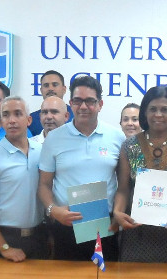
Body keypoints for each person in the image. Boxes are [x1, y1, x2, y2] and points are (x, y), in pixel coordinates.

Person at [38, 75, 125, 261]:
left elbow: (124, 186)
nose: (83, 106)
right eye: (77, 101)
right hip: (66, 225)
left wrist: (118, 213)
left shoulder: (116, 137)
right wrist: (53, 210)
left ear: (100, 104)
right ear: (70, 103)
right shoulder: (53, 139)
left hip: (106, 226)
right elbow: (44, 185)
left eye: (90, 101)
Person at [112, 86, 167, 262]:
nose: (158, 114)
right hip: (137, 231)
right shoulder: (129, 146)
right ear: (144, 112)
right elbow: (123, 189)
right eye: (153, 109)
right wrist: (117, 212)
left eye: (164, 109)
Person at [0, 96, 46, 262]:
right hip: (6, 237)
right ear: (1, 121)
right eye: (6, 115)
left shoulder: (41, 151)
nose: (12, 120)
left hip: (39, 236)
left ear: (29, 120)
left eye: (17, 114)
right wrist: (4, 248)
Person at [29, 70, 74, 136]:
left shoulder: (76, 116)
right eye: (46, 85)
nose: (50, 88)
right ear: (41, 90)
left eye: (55, 85)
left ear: (64, 89)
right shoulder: (31, 120)